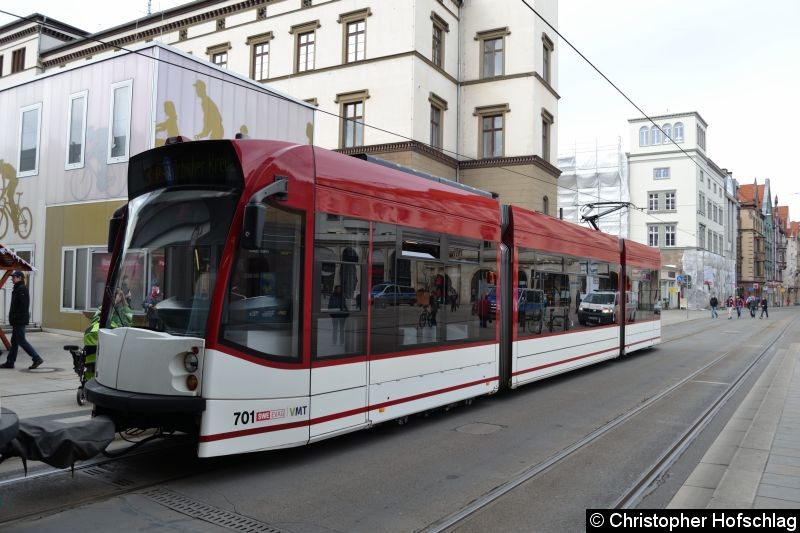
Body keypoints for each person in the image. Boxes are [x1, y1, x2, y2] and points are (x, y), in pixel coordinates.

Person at [0, 271, 43, 369]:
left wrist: (15, 318)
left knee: (21, 341)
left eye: (14, 277)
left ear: (19, 278)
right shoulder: (18, 288)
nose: (12, 279)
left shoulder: (22, 289)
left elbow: (23, 306)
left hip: (19, 320)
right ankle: (10, 362)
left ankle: (36, 358)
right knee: (14, 341)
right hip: (17, 320)